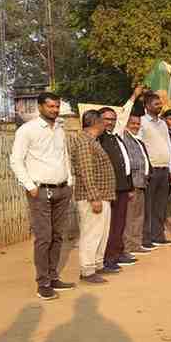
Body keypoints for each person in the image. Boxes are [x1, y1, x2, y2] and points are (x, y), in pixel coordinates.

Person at [9, 92, 75, 300]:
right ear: (40, 107)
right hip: (40, 191)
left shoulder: (59, 129)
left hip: (62, 189)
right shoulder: (27, 130)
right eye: (50, 107)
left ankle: (54, 276)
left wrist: (70, 180)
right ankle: (43, 283)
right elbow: (16, 160)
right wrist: (29, 186)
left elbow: (64, 155)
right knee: (44, 237)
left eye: (57, 106)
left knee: (57, 236)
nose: (54, 110)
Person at [66, 110, 116, 285]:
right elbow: (86, 171)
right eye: (103, 121)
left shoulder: (91, 140)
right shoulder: (83, 141)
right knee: (91, 234)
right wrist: (94, 197)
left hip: (102, 194)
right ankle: (87, 270)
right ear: (96, 122)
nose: (105, 125)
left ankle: (97, 264)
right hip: (92, 196)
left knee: (101, 232)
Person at [97, 107, 137, 270]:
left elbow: (125, 163)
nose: (110, 122)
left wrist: (130, 187)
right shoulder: (99, 139)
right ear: (99, 120)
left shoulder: (116, 138)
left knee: (120, 223)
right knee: (110, 225)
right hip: (109, 188)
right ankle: (108, 258)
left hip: (122, 187)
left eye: (113, 119)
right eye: (107, 119)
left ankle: (118, 253)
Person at [138, 91, 171, 248]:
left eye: (160, 103)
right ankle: (146, 239)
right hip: (151, 169)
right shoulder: (141, 122)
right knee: (147, 206)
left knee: (160, 205)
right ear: (147, 106)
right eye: (156, 104)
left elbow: (169, 146)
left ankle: (158, 236)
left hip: (164, 169)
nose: (160, 106)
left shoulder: (162, 123)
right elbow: (139, 145)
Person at [122, 114, 152, 256]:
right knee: (129, 217)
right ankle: (127, 247)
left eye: (138, 123)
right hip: (131, 184)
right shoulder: (123, 138)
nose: (136, 126)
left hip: (141, 183)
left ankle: (136, 244)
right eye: (132, 123)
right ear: (126, 123)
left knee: (138, 216)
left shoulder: (137, 140)